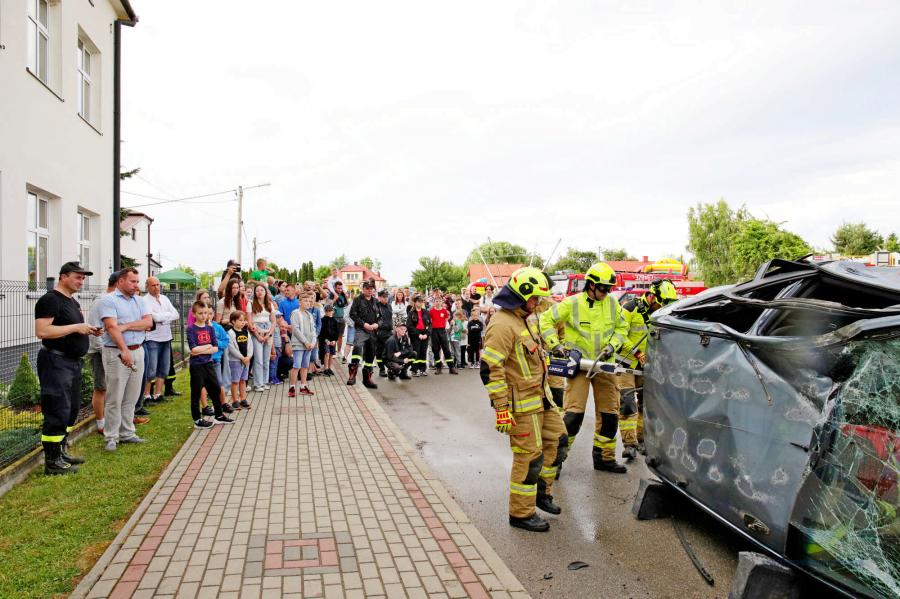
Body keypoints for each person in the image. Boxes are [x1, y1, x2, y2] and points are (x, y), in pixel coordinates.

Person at [480, 267, 567, 532]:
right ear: (521, 295)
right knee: (529, 458)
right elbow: (490, 369)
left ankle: (541, 493)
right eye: (535, 298)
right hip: (521, 405)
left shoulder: (526, 318)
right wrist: (501, 408)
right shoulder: (502, 324)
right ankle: (520, 513)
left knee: (558, 441)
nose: (538, 303)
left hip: (541, 397)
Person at [539, 262, 629, 473]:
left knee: (609, 415)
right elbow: (546, 320)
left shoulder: (612, 303)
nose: (606, 293)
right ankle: (556, 460)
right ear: (591, 285)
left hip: (604, 364)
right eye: (603, 288)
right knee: (573, 416)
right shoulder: (572, 303)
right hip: (578, 366)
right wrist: (555, 345)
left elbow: (622, 327)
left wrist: (612, 346)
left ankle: (604, 458)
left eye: (609, 289)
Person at [34, 261, 100, 474]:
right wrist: (76, 327)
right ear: (63, 277)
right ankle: (52, 462)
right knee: (57, 409)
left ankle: (61, 452)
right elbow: (42, 331)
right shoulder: (51, 300)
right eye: (77, 277)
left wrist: (87, 329)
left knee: (71, 410)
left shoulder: (72, 301)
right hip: (55, 362)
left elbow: (70, 328)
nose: (81, 281)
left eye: (83, 278)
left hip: (72, 362)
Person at [618, 279, 678, 459]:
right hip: (626, 364)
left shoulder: (660, 315)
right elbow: (619, 335)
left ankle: (641, 440)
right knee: (628, 403)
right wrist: (636, 352)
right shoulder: (630, 308)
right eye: (660, 303)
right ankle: (629, 444)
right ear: (652, 296)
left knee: (646, 404)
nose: (662, 307)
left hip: (648, 366)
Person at [98, 268, 153, 452]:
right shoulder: (108, 300)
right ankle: (111, 436)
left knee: (132, 395)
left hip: (138, 350)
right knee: (115, 396)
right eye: (132, 281)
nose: (136, 285)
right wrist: (124, 349)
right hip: (116, 352)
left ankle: (127, 432)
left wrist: (127, 325)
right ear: (121, 281)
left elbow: (148, 323)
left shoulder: (140, 301)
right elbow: (112, 327)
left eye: (137, 282)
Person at [186, 301, 232, 428]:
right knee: (196, 392)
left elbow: (215, 348)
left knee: (215, 389)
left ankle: (219, 415)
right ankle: (197, 420)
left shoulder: (210, 328)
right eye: (200, 313)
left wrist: (202, 349)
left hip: (209, 363)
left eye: (205, 313)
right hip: (197, 365)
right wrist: (208, 346)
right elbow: (193, 349)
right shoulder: (191, 329)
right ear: (194, 314)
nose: (203, 316)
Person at [87, 273, 118, 435]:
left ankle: (114, 420)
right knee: (101, 387)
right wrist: (105, 350)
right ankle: (101, 424)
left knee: (113, 387)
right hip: (100, 351)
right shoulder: (100, 301)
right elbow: (94, 329)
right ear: (118, 283)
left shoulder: (114, 300)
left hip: (113, 350)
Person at [142, 277, 180, 405]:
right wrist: (166, 317)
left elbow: (176, 314)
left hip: (166, 337)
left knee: (164, 368)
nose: (157, 287)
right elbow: (155, 318)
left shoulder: (164, 298)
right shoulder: (145, 301)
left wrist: (162, 318)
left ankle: (158, 394)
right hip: (152, 338)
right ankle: (147, 396)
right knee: (151, 369)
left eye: (158, 284)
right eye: (153, 285)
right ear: (147, 287)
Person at [347, 281, 380, 389]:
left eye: (371, 288)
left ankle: (367, 379)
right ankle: (352, 375)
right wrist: (363, 324)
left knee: (371, 354)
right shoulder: (357, 300)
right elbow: (352, 314)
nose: (370, 290)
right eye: (367, 288)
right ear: (363, 289)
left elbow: (381, 317)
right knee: (357, 347)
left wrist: (377, 324)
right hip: (361, 329)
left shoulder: (376, 301)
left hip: (373, 331)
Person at [250, 283, 276, 392]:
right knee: (258, 359)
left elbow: (273, 322)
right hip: (257, 332)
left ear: (265, 292)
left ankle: (265, 382)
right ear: (254, 293)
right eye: (257, 291)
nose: (260, 292)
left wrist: (269, 334)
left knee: (266, 359)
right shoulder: (251, 304)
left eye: (262, 290)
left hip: (268, 331)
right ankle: (258, 384)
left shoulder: (270, 304)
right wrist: (257, 335)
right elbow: (250, 322)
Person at [288, 294, 316, 397]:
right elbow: (296, 330)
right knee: (297, 366)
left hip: (309, 345)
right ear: (300, 302)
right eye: (305, 301)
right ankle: (292, 388)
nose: (308, 303)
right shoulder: (295, 313)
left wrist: (312, 343)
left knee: (305, 366)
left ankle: (303, 387)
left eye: (309, 301)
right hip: (299, 344)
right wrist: (305, 342)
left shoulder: (309, 315)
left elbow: (313, 330)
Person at [227, 311, 254, 410]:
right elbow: (231, 348)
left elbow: (250, 345)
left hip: (246, 360)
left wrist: (249, 356)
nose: (243, 322)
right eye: (240, 320)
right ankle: (235, 400)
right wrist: (241, 357)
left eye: (244, 320)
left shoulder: (246, 332)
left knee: (243, 380)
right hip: (235, 361)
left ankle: (243, 399)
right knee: (235, 381)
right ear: (233, 321)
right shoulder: (230, 333)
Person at [429, 293, 457, 374]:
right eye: (436, 301)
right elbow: (430, 321)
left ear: (441, 302)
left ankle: (451, 367)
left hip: (442, 331)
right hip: (434, 331)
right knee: (435, 349)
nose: (438, 303)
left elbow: (446, 319)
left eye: (439, 301)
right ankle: (438, 367)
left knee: (446, 349)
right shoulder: (431, 311)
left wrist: (444, 326)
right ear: (434, 302)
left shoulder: (444, 311)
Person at [406, 294, 431, 377]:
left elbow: (430, 325)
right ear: (415, 302)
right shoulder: (411, 313)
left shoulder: (426, 312)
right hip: (415, 335)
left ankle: (423, 369)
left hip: (424, 334)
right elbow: (409, 326)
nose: (419, 303)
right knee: (416, 352)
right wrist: (418, 334)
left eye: (421, 302)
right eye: (418, 302)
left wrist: (427, 334)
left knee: (423, 352)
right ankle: (414, 370)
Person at [375, 289, 394, 377]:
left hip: (389, 332)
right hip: (380, 332)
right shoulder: (376, 306)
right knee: (379, 352)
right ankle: (382, 369)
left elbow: (390, 318)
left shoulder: (389, 306)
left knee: (390, 351)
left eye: (386, 296)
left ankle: (391, 368)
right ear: (379, 297)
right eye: (383, 297)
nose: (386, 298)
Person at [319, 305, 340, 376]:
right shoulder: (322, 320)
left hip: (332, 340)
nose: (329, 312)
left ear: (333, 311)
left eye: (330, 311)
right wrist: (325, 340)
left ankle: (329, 368)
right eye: (327, 311)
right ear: (325, 311)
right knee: (327, 353)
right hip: (325, 340)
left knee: (331, 354)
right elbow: (321, 332)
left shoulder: (335, 321)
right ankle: (325, 368)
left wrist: (335, 340)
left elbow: (337, 332)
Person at [332, 281, 349, 359]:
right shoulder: (332, 294)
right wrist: (335, 299)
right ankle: (333, 352)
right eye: (338, 288)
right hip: (334, 317)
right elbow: (328, 305)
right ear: (335, 288)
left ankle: (339, 352)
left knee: (340, 336)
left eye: (341, 288)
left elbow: (348, 304)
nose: (340, 290)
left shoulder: (343, 295)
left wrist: (346, 297)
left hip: (342, 318)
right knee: (333, 336)